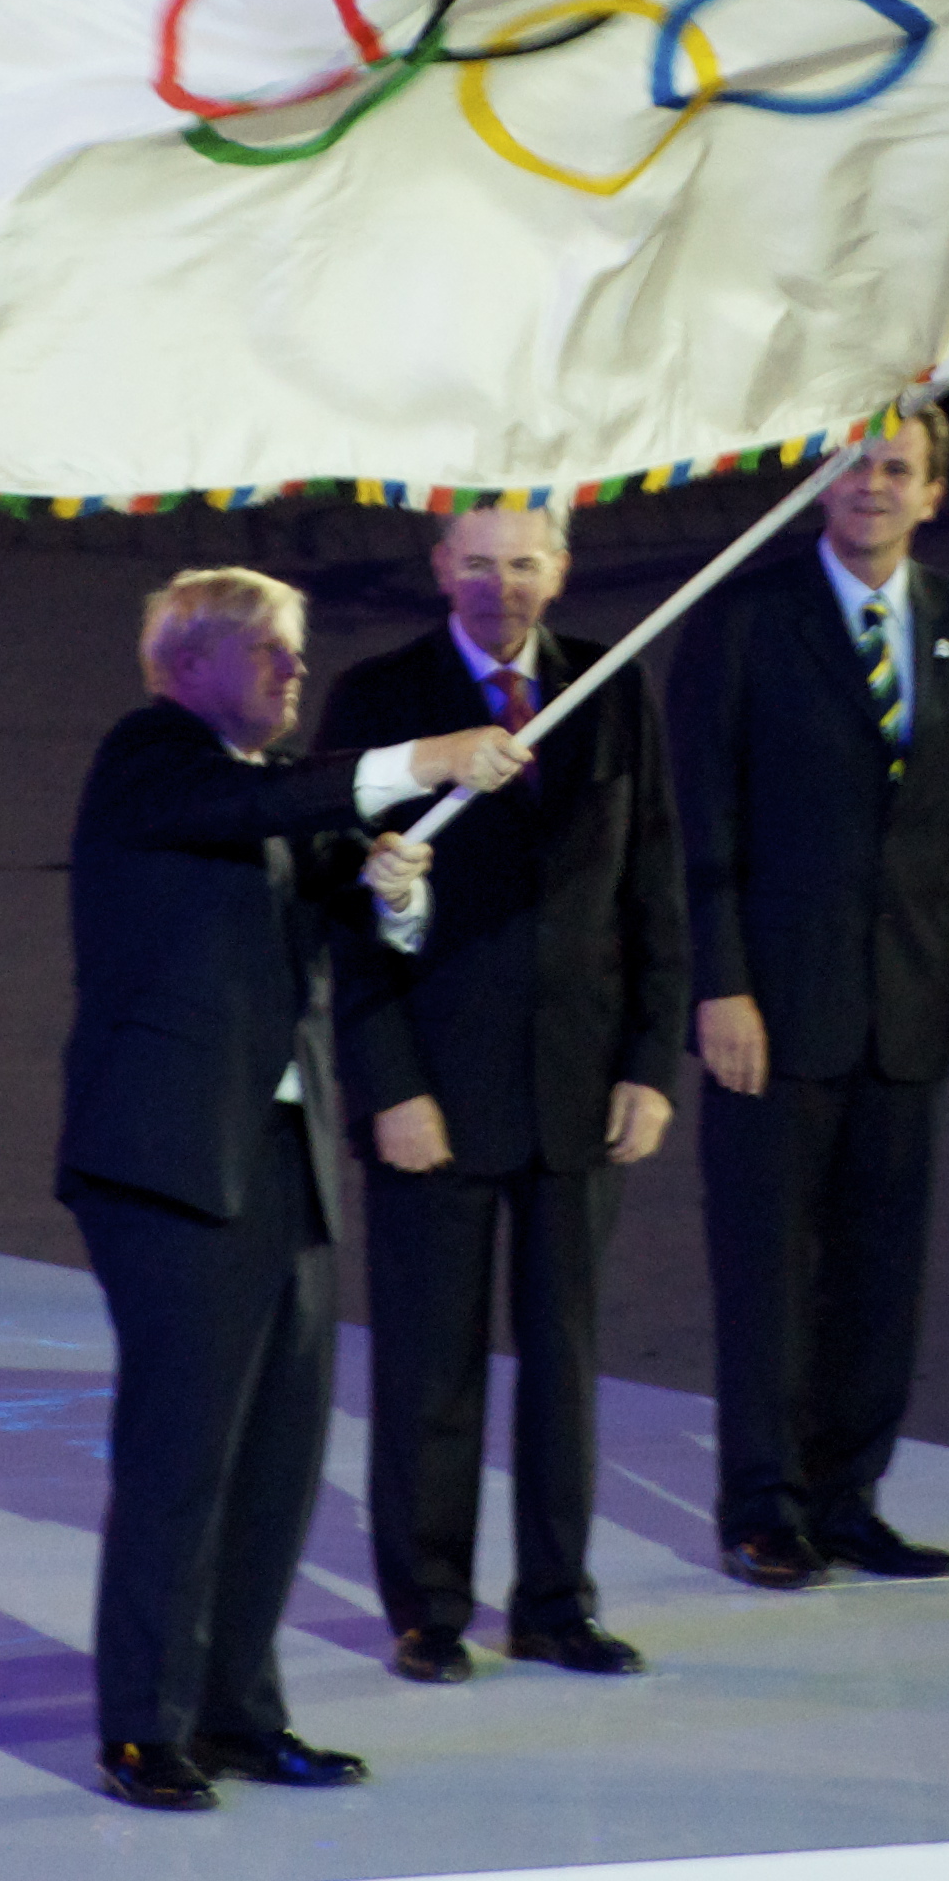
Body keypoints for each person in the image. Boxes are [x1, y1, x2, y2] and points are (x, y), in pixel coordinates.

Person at [59, 566, 528, 1813]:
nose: (291, 671)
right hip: (167, 1164)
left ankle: (239, 1713)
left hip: (281, 1162)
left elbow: (346, 889)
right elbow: (297, 797)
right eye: (266, 650)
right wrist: (426, 753)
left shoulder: (266, 793)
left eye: (297, 652)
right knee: (182, 1451)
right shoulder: (149, 758)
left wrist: (399, 895)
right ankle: (140, 1726)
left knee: (277, 1453)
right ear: (189, 661)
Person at [320, 503, 689, 1682]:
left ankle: (554, 1600)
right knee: (429, 1364)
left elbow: (655, 885)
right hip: (434, 1094)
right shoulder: (378, 701)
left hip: (579, 1089)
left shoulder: (614, 687)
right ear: (439, 568)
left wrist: (647, 1062)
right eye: (476, 564)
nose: (501, 586)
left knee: (564, 1361)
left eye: (522, 563)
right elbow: (344, 910)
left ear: (560, 569)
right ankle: (427, 1608)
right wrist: (389, 1085)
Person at [667, 406, 949, 1589]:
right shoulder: (742, 620)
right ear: (816, 485)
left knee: (881, 1269)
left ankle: (848, 1497)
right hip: (772, 1008)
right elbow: (700, 821)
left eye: (895, 470)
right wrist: (719, 983)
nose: (871, 487)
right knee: (769, 1268)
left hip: (911, 1006)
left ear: (932, 493)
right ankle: (763, 1507)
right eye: (852, 466)